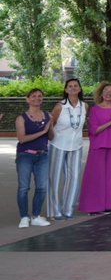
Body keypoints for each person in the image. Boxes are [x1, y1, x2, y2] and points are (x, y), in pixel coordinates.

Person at [79, 82, 111, 215]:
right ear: (101, 93)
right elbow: (94, 130)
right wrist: (110, 121)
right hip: (98, 146)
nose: (109, 93)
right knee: (95, 177)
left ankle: (107, 205)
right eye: (106, 90)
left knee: (110, 178)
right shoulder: (95, 109)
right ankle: (92, 207)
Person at [48, 79, 86, 221]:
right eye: (70, 86)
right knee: (55, 178)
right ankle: (54, 211)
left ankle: (68, 209)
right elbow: (50, 125)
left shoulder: (84, 106)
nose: (73, 88)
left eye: (76, 86)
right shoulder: (60, 106)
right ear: (65, 90)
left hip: (76, 146)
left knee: (74, 178)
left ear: (80, 88)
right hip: (58, 144)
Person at [15, 88, 53, 227]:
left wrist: (51, 126)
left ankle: (36, 216)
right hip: (25, 155)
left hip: (43, 155)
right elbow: (22, 139)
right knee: (24, 187)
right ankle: (24, 217)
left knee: (42, 187)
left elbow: (51, 137)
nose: (37, 98)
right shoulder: (21, 118)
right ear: (28, 99)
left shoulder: (48, 116)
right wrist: (43, 131)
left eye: (40, 96)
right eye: (33, 96)